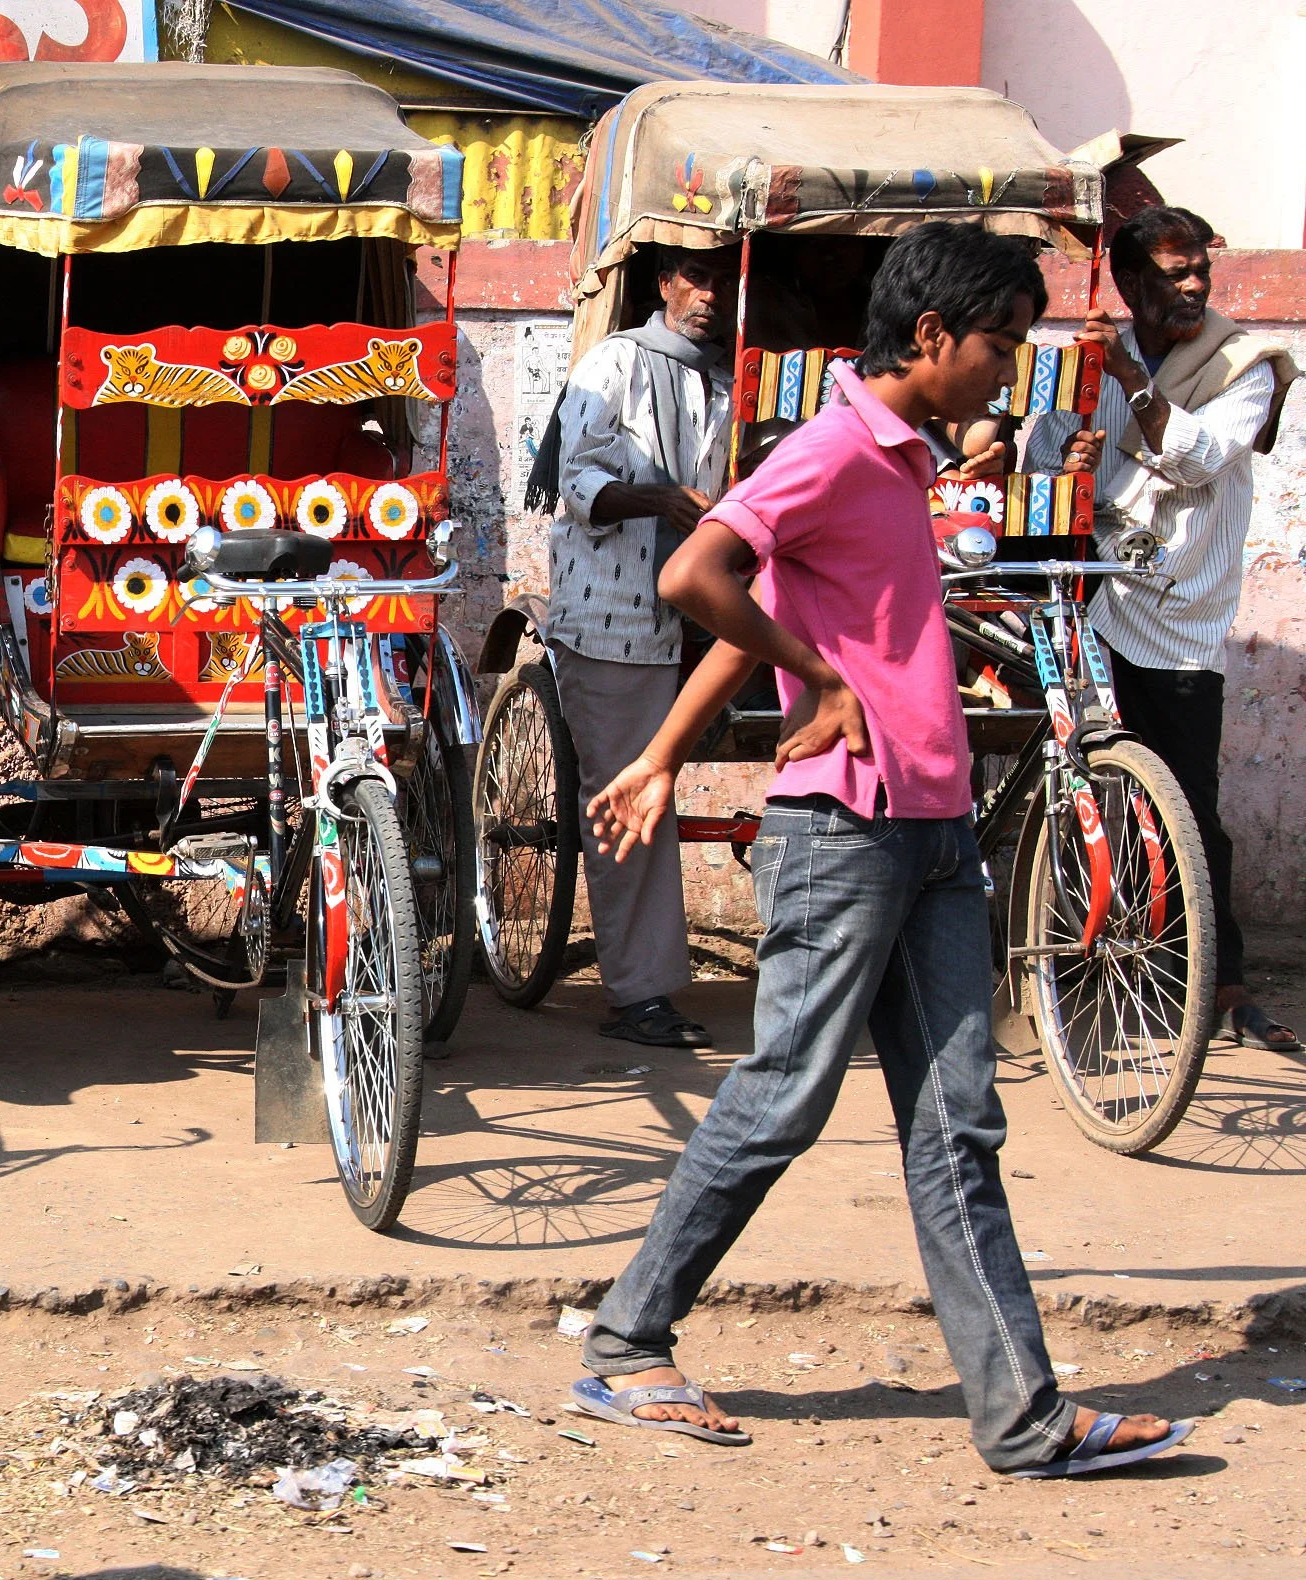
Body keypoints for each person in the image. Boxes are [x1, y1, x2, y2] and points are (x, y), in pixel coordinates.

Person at [568, 223, 1191, 1479]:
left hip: (929, 826)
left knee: (958, 1120)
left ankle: (1022, 1417)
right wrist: (815, 678)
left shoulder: (895, 460)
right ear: (930, 337)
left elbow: (771, 617)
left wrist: (665, 754)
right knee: (784, 1094)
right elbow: (701, 574)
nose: (1008, 370)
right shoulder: (838, 445)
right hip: (841, 830)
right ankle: (630, 1339)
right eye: (999, 344)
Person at [1025, 206, 1302, 1052]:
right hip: (1091, 598)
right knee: (1086, 794)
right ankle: (1083, 969)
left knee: (1187, 804)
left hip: (1178, 612)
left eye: (1199, 273)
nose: (1191, 288)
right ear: (1131, 282)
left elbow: (1198, 459)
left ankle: (1219, 984)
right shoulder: (1088, 357)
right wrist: (1066, 460)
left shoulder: (1243, 364)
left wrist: (1131, 386)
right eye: (1172, 274)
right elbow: (1041, 457)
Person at [537, 246, 739, 1049]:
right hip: (616, 612)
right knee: (634, 796)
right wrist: (657, 498)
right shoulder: (615, 362)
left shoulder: (737, 378)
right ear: (665, 284)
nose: (707, 294)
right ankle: (640, 993)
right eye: (694, 276)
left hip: (715, 603)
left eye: (722, 279)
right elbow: (577, 483)